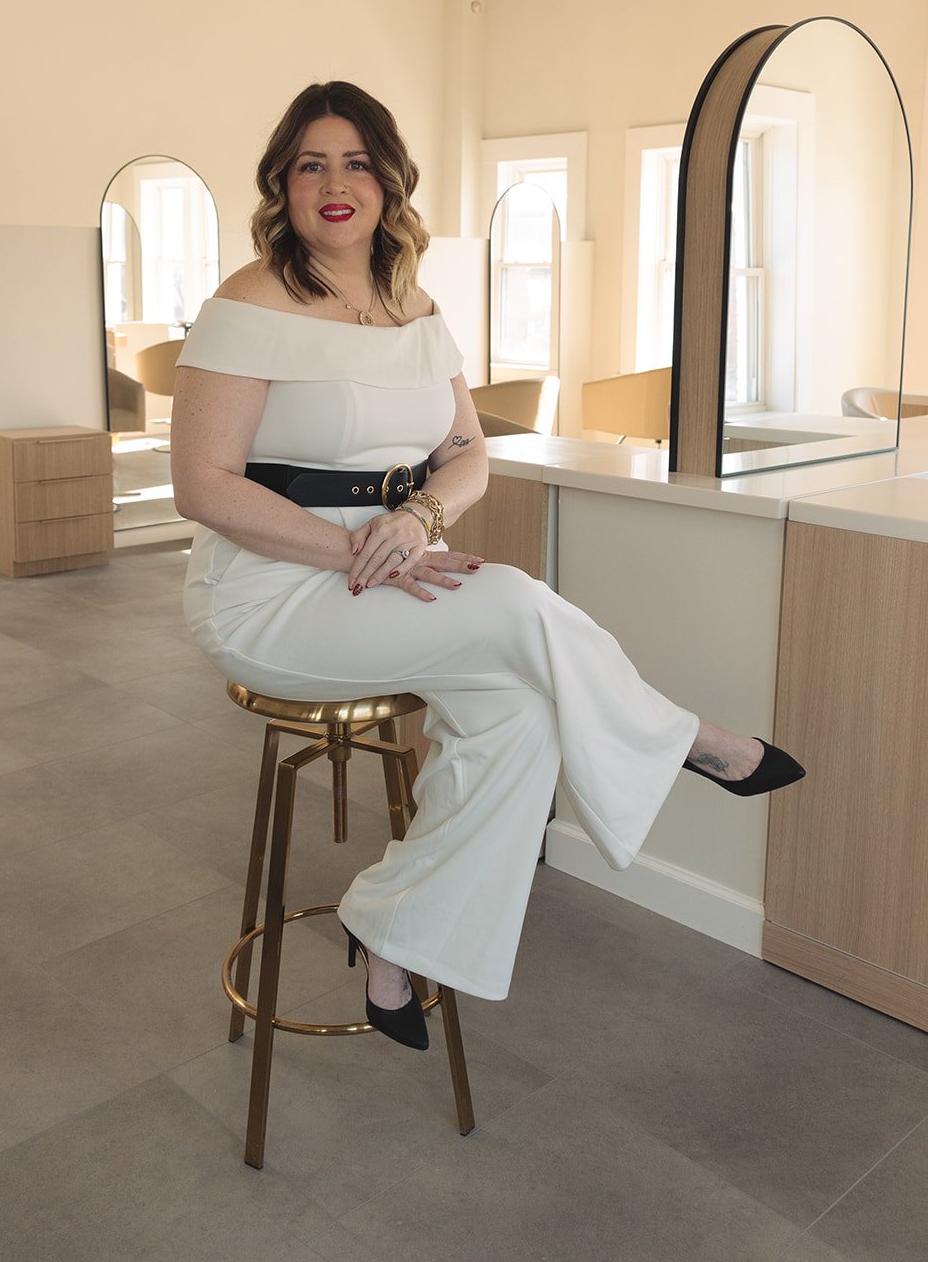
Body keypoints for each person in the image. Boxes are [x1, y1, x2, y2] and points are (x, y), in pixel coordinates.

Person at [171, 80, 804, 1052]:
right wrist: (354, 545)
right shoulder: (246, 302)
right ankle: (688, 738)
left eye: (355, 161)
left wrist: (417, 517)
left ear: (388, 180)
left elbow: (470, 450)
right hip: (270, 593)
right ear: (282, 185)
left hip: (387, 567)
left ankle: (392, 928)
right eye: (310, 164)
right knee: (511, 597)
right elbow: (205, 487)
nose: (335, 183)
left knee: (518, 715)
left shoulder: (414, 304)